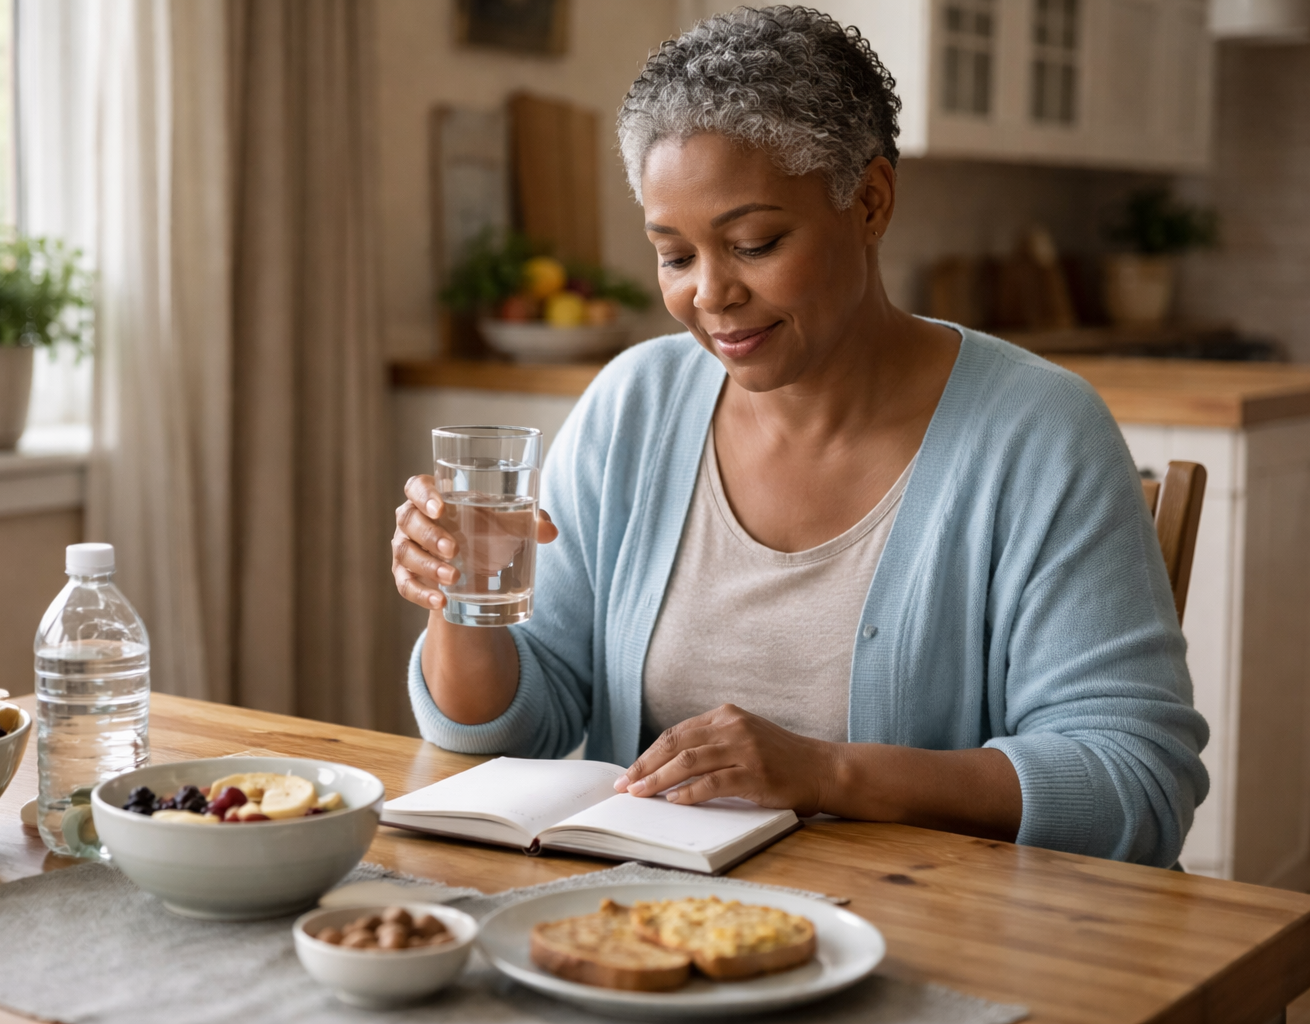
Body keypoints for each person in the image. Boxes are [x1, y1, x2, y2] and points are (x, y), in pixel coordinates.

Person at [390, 6, 1207, 868]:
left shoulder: (1038, 433)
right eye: (675, 256)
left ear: (871, 202)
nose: (711, 294)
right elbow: (515, 726)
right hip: (648, 918)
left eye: (755, 243)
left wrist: (825, 774)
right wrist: (459, 600)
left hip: (924, 925)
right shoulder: (633, 405)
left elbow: (1136, 783)